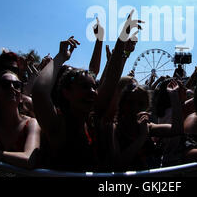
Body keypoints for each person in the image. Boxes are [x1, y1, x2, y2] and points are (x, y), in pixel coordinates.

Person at [32, 10, 144, 171]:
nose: (93, 91)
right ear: (66, 92)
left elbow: (111, 78)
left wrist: (122, 40)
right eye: (85, 87)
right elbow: (40, 92)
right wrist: (61, 57)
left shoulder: (92, 118)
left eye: (93, 87)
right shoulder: (58, 124)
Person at [0, 70, 41, 169]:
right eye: (5, 85)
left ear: (21, 96)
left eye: (17, 85)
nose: (12, 88)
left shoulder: (31, 123)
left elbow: (29, 160)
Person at [112, 79, 183, 170]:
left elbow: (177, 130)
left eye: (140, 104)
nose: (135, 107)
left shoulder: (148, 127)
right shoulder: (114, 128)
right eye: (130, 102)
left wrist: (174, 96)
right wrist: (142, 136)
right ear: (121, 103)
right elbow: (118, 164)